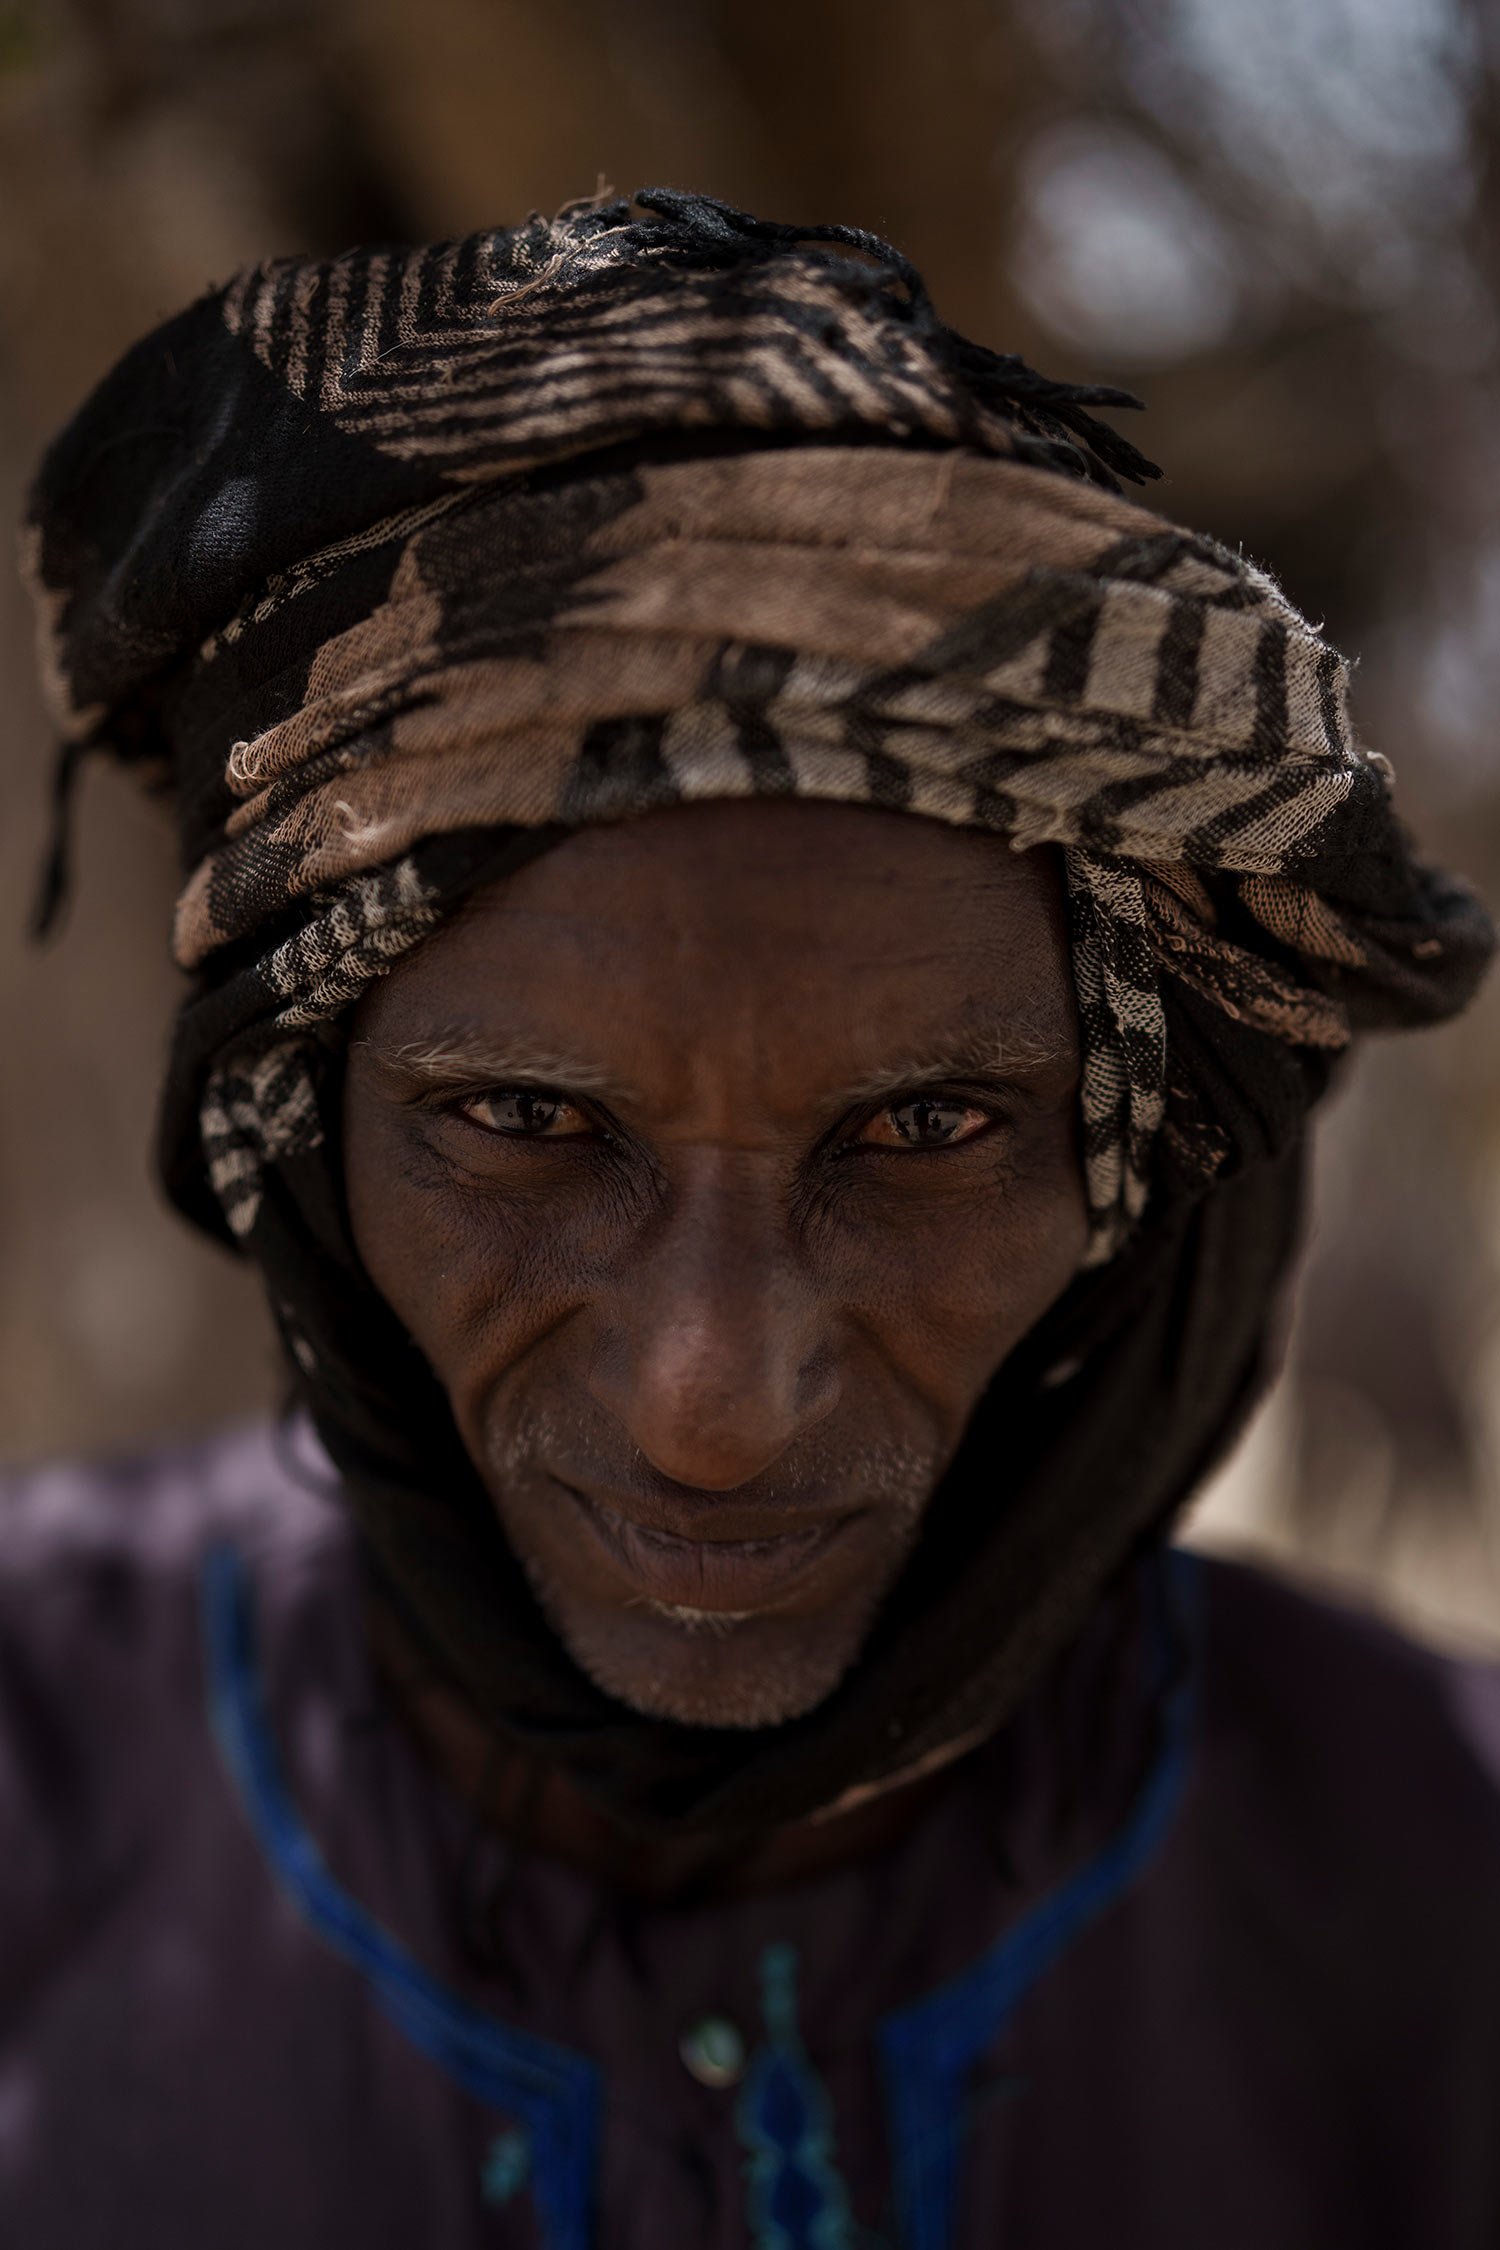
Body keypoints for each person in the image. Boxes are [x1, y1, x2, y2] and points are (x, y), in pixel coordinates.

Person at [6, 187, 1498, 2250]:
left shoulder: (1437, 1873)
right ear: (303, 1118)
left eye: (929, 1128)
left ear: (1145, 1156)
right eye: (522, 1121)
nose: (717, 1398)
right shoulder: (35, 1753)